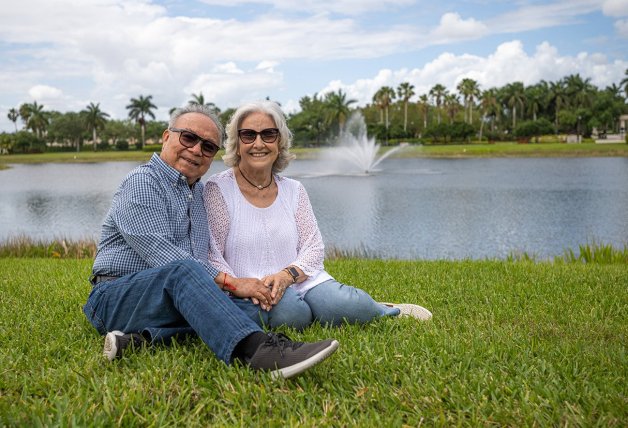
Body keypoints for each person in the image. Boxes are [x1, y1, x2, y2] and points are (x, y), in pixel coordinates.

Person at [83, 103, 338, 380]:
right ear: (166, 137)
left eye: (207, 147)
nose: (196, 150)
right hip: (116, 297)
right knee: (187, 271)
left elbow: (202, 262)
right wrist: (232, 282)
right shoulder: (143, 182)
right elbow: (165, 257)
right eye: (188, 138)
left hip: (172, 301)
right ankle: (257, 353)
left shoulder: (200, 192)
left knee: (253, 307)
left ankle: (141, 340)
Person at [203, 100, 432, 330]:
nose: (259, 143)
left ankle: (382, 309)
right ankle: (311, 310)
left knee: (348, 306)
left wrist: (286, 276)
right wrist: (241, 286)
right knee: (292, 315)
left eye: (269, 134)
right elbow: (212, 254)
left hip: (300, 281)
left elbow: (313, 247)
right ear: (237, 142)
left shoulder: (294, 190)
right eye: (248, 135)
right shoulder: (219, 189)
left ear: (279, 141)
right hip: (248, 291)